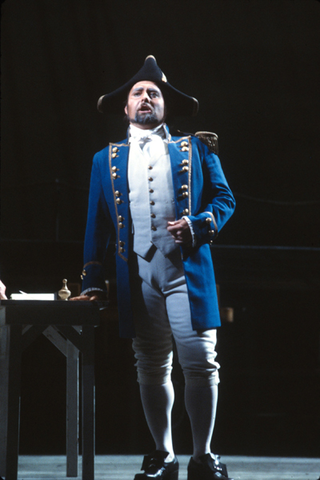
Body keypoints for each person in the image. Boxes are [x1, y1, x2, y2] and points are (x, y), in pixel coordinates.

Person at [71, 56, 236, 480]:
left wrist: (199, 226)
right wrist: (92, 280)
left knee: (200, 361)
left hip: (187, 272)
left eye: (155, 93)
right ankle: (163, 455)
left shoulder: (196, 147)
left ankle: (203, 456)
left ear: (165, 106)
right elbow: (98, 225)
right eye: (138, 93)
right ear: (125, 107)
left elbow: (224, 199)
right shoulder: (103, 160)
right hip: (138, 276)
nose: (146, 98)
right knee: (150, 363)